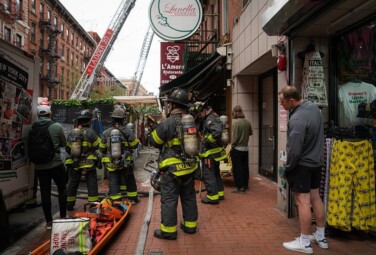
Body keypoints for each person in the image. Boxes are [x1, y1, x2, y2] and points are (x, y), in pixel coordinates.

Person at [279, 86, 328, 254]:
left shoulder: (298, 118)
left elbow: (293, 149)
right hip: (316, 162)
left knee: (303, 202)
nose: (282, 105)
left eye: (283, 102)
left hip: (303, 165)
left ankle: (305, 242)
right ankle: (321, 237)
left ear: (291, 100)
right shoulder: (314, 109)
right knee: (316, 198)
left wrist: (288, 167)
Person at [149, 88, 198, 240]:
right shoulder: (191, 121)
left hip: (172, 170)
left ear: (172, 105)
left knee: (170, 199)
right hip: (189, 168)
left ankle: (169, 231)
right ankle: (190, 226)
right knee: (189, 197)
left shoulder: (167, 123)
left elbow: (154, 141)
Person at [31, 105, 67, 229]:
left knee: (45, 193)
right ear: (49, 114)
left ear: (38, 115)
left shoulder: (33, 127)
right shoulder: (56, 126)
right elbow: (64, 143)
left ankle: (49, 223)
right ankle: (62, 217)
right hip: (55, 163)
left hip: (40, 166)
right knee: (62, 189)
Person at [99, 106, 140, 204]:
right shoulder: (128, 131)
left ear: (113, 119)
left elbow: (101, 148)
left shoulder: (106, 132)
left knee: (114, 181)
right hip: (126, 162)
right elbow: (135, 145)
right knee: (129, 180)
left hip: (112, 163)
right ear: (123, 119)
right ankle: (133, 199)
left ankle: (115, 200)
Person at [190, 101, 227, 204]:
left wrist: (206, 142)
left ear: (204, 110)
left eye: (200, 113)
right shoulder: (213, 116)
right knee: (216, 174)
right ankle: (220, 194)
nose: (200, 115)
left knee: (208, 175)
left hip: (209, 154)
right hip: (215, 153)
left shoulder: (209, 119)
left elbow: (217, 133)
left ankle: (212, 197)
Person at [65, 109, 101, 211]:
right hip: (88, 164)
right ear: (89, 121)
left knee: (72, 183)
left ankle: (69, 204)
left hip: (75, 163)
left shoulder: (72, 133)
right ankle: (93, 204)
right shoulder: (91, 133)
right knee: (92, 183)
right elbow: (98, 145)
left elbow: (68, 148)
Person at [230, 105, 253, 193]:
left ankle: (239, 187)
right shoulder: (247, 122)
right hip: (245, 148)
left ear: (235, 112)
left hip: (237, 149)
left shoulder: (236, 123)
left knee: (237, 169)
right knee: (244, 168)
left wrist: (231, 145)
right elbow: (250, 133)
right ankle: (245, 185)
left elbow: (235, 138)